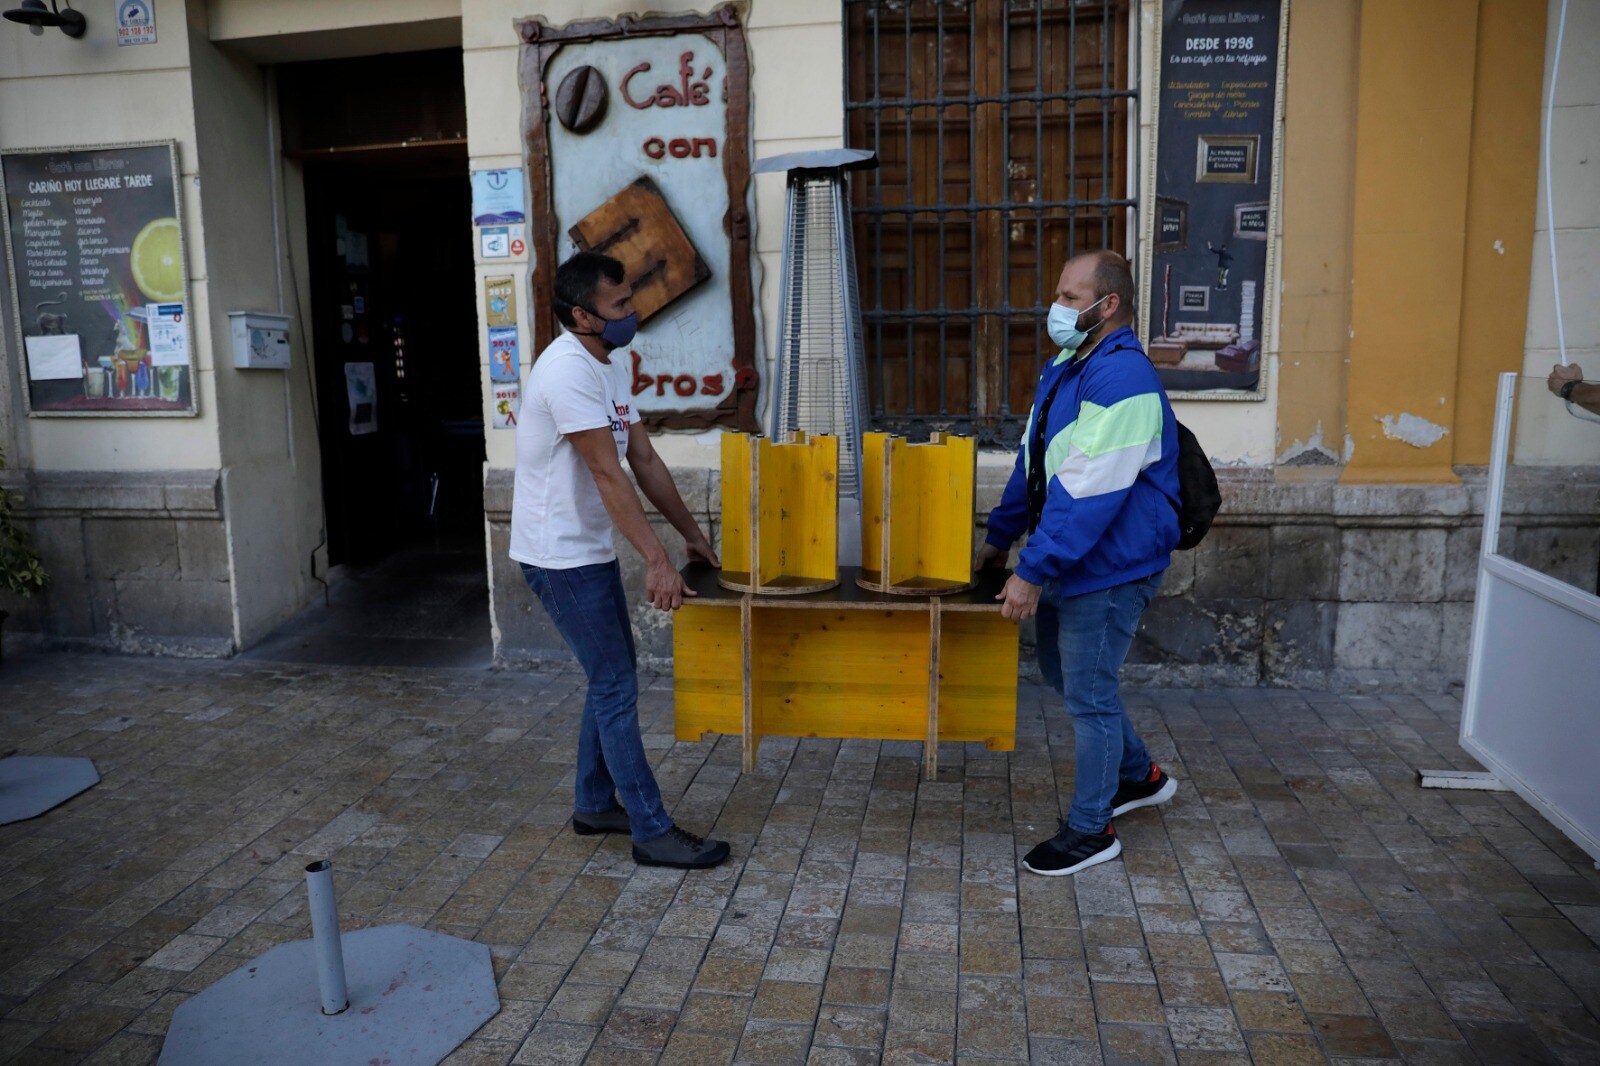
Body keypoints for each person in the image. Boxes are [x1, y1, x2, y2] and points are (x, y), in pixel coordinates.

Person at [511, 251, 730, 870]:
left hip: (587, 548)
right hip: (557, 556)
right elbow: (607, 474)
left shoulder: (607, 364)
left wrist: (690, 534)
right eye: (619, 307)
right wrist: (656, 562)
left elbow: (644, 459)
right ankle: (650, 828)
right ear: (582, 315)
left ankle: (593, 804)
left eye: (630, 300)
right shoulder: (565, 374)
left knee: (612, 676)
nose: (632, 313)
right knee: (615, 685)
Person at [978, 250, 1181, 877]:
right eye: (1060, 295)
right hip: (1075, 557)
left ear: (1107, 304)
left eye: (1070, 297)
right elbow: (1035, 467)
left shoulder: (1123, 378)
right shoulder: (1069, 366)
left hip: (1111, 565)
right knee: (1073, 682)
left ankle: (1093, 831)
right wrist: (998, 540)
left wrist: (1032, 570)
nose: (1057, 308)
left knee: (1089, 697)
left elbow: (1090, 491)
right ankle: (1139, 776)